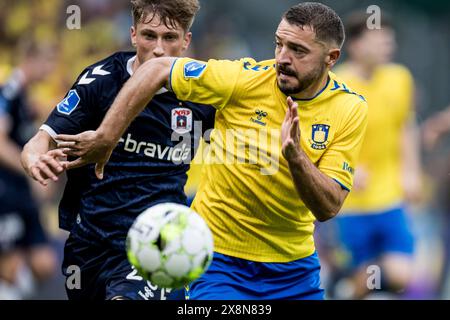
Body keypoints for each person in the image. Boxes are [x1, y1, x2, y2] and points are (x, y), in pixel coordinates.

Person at [54, 2, 368, 300]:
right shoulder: (243, 80)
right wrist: (107, 137)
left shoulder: (349, 108)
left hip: (293, 269)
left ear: (331, 57)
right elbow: (157, 70)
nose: (282, 58)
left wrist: (296, 157)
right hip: (218, 261)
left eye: (298, 50)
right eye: (279, 44)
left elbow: (328, 207)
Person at [21, 0, 215, 300]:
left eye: (170, 38)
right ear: (134, 34)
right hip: (90, 245)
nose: (159, 50)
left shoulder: (203, 92)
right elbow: (39, 141)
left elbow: (239, 155)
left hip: (159, 243)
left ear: (186, 41)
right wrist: (35, 159)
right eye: (150, 36)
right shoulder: (101, 79)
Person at [329, 12, 421, 299]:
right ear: (355, 45)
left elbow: (406, 126)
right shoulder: (336, 84)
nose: (386, 48)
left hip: (390, 197)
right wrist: (348, 170)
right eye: (378, 41)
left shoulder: (400, 78)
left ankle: (341, 285)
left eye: (389, 42)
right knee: (363, 281)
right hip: (351, 204)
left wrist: (411, 171)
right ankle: (344, 286)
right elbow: (322, 138)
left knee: (401, 273)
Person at [0, 41, 58, 299]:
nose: (50, 70)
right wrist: (31, 170)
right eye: (48, 63)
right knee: (12, 269)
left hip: (22, 193)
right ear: (33, 60)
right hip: (6, 194)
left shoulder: (24, 96)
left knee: (45, 264)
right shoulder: (9, 90)